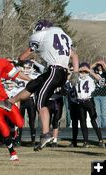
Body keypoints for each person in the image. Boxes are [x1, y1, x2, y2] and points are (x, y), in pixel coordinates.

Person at [9, 19, 79, 151]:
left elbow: (28, 52)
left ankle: (46, 134)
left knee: (40, 101)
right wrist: (75, 73)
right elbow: (75, 56)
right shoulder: (63, 35)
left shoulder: (42, 34)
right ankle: (10, 102)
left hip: (54, 70)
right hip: (62, 73)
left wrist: (19, 59)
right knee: (34, 83)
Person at [75, 62, 105, 148]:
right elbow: (69, 78)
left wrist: (89, 71)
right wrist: (78, 70)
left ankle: (100, 140)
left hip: (89, 101)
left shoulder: (91, 77)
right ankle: (86, 141)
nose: (83, 72)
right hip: (80, 102)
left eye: (85, 71)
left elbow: (101, 80)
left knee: (93, 120)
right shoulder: (77, 77)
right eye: (82, 70)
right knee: (83, 122)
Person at [91, 60, 106, 128]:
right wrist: (96, 63)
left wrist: (103, 63)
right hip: (96, 95)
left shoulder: (105, 74)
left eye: (101, 66)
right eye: (98, 66)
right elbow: (89, 69)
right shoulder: (94, 74)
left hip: (104, 95)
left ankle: (104, 127)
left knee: (104, 113)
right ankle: (99, 127)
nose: (99, 67)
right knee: (98, 113)